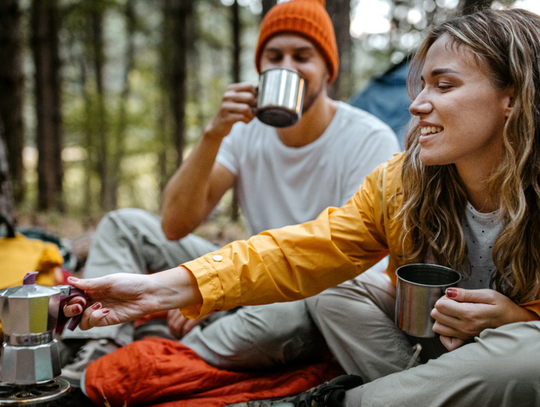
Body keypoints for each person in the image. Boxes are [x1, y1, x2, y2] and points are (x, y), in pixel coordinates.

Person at [65, 7, 540, 407]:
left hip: (504, 356)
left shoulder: (364, 136)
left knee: (527, 355)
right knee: (333, 293)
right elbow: (304, 249)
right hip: (429, 351)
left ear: (512, 98)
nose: (417, 105)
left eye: (445, 86)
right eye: (424, 85)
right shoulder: (404, 183)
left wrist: (520, 320)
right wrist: (166, 290)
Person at [60, 0, 400, 384]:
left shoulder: (367, 138)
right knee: (125, 225)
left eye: (302, 56)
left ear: (328, 71)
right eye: (274, 56)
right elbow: (174, 225)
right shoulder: (245, 131)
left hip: (310, 292)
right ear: (260, 69)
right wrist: (213, 134)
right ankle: (99, 348)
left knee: (283, 321)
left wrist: (215, 294)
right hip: (242, 271)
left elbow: (356, 267)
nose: (286, 66)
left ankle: (159, 347)